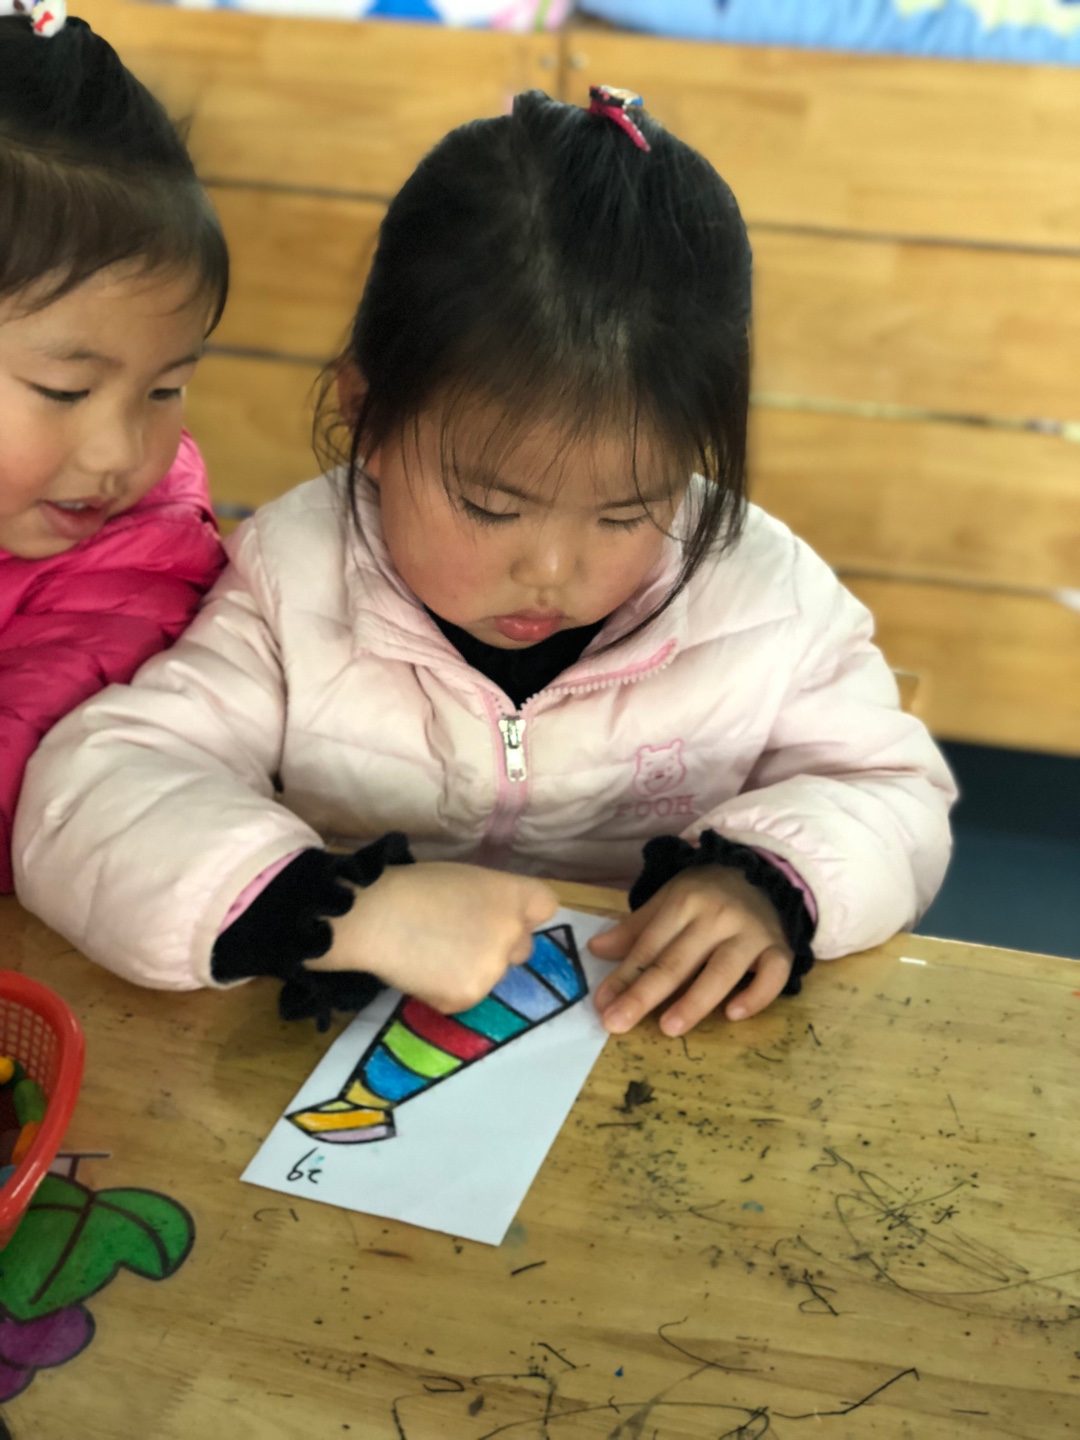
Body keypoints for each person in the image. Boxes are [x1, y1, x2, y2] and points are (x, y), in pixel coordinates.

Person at [14, 87, 955, 1051]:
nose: (550, 568)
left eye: (627, 511)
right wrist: (341, 911)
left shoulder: (765, 599)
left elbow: (891, 793)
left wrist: (768, 880)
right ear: (368, 415)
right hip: (332, 1059)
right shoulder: (295, 578)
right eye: (491, 506)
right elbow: (90, 797)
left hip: (661, 1052)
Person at [0, 7, 228, 891]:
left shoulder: (144, 563)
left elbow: (31, 798)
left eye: (165, 389)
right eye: (65, 391)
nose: (118, 452)